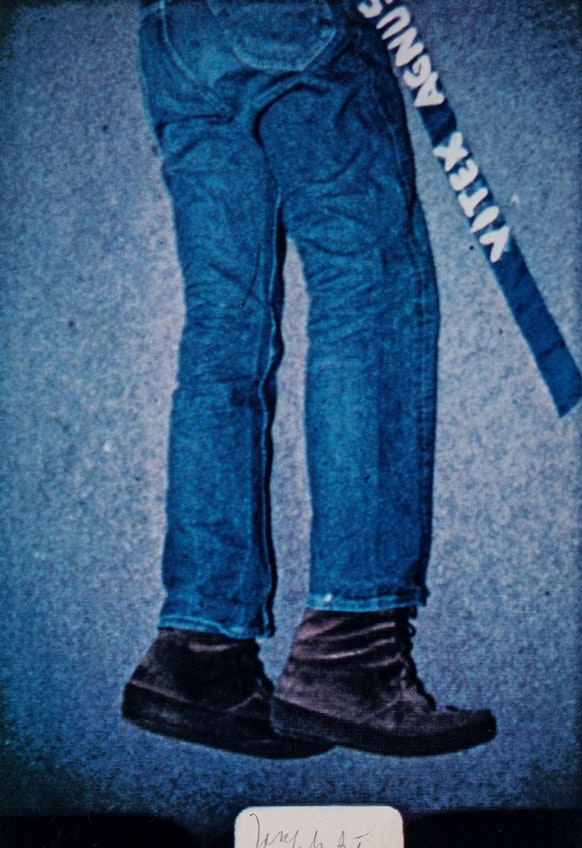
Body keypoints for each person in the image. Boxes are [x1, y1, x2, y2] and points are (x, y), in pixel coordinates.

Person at [122, 0, 496, 759]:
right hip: (286, 17)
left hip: (171, 33)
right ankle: (350, 649)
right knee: (368, 291)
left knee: (224, 330)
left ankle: (200, 651)